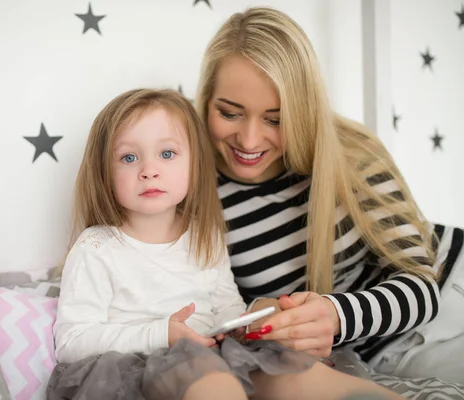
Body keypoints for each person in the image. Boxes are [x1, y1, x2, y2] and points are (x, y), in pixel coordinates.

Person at [47, 88, 405, 400]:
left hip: (216, 352)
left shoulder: (204, 235)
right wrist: (161, 333)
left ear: (195, 164)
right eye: (129, 157)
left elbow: (223, 305)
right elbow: (72, 341)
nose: (149, 170)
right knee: (204, 378)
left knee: (290, 372)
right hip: (143, 367)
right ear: (103, 172)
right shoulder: (96, 248)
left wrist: (246, 321)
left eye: (167, 154)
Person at [194, 5, 464, 386]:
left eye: (275, 119)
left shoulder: (350, 153)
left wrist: (336, 316)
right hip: (375, 355)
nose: (250, 140)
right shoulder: (187, 187)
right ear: (206, 100)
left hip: (451, 291)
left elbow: (421, 286)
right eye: (230, 113)